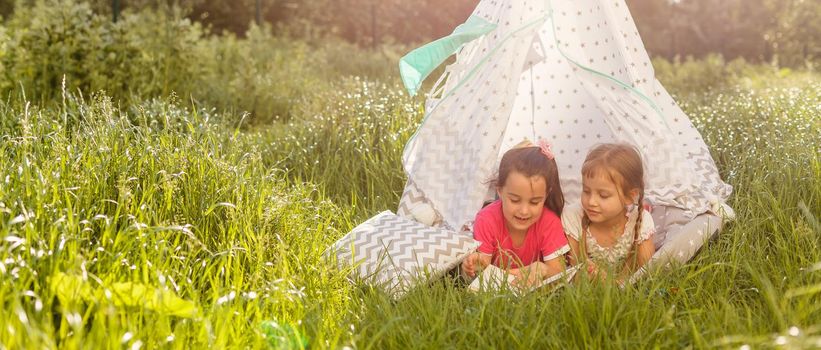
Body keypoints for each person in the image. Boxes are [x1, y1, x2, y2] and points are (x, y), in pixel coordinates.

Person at [461, 139, 570, 287]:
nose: (524, 211)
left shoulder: (549, 222)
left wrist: (543, 269)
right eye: (515, 200)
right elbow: (483, 273)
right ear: (500, 191)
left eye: (534, 202)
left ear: (546, 195)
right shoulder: (486, 219)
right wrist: (474, 264)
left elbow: (559, 272)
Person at [562, 143, 655, 283]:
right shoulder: (573, 216)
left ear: (630, 196)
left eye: (603, 195)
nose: (591, 201)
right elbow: (571, 272)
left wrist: (612, 283)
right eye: (586, 191)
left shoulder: (640, 221)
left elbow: (646, 274)